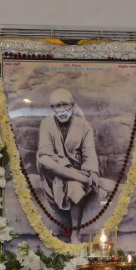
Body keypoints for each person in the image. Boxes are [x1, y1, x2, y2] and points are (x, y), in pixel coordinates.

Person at [35, 88, 101, 237]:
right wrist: (61, 164)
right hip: (55, 170)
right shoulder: (46, 124)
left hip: (76, 170)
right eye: (57, 106)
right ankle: (82, 179)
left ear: (72, 106)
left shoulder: (84, 126)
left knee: (75, 187)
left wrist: (93, 172)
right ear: (52, 108)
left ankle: (75, 235)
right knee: (44, 159)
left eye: (65, 105)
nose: (62, 110)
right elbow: (45, 154)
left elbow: (89, 153)